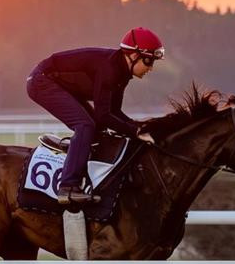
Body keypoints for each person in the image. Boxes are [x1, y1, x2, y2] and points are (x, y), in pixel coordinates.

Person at [27, 27, 163, 205]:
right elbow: (103, 115)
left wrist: (139, 128)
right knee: (86, 125)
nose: (150, 68)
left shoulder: (122, 73)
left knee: (97, 129)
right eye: (148, 61)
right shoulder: (109, 70)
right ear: (133, 55)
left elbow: (114, 113)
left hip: (61, 85)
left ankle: (77, 152)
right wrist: (135, 131)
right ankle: (68, 187)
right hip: (41, 81)